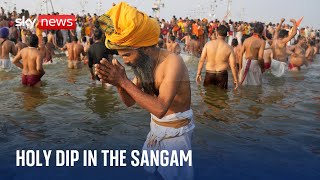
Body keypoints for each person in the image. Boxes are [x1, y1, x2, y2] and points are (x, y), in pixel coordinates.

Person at [96, 3, 194, 179]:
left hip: (176, 138)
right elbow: (129, 102)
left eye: (127, 55)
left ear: (144, 48)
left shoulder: (172, 62)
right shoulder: (144, 64)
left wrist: (123, 81)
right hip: (155, 132)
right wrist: (117, 82)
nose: (125, 61)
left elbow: (160, 109)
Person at [196, 25, 238, 89]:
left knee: (208, 96)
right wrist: (235, 79)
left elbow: (202, 60)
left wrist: (198, 73)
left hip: (209, 74)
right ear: (226, 35)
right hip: (222, 75)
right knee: (221, 97)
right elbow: (233, 65)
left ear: (217, 33)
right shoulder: (229, 48)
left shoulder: (208, 45)